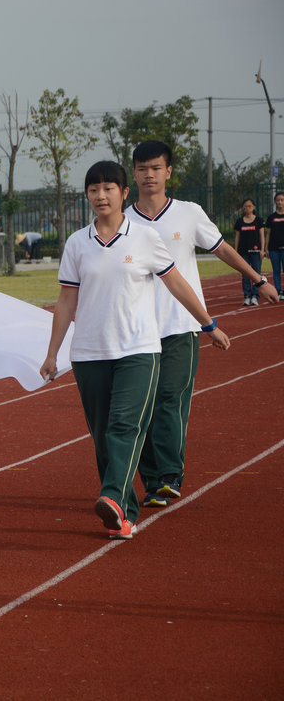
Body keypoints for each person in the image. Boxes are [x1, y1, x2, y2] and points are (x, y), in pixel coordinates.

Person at [40, 160, 229, 540]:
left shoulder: (143, 237)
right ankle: (123, 514)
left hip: (139, 350)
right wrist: (52, 353)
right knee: (103, 436)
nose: (101, 195)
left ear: (124, 194)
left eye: (109, 188)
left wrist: (207, 323)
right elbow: (65, 302)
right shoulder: (77, 243)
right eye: (94, 189)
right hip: (90, 354)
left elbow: (176, 284)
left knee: (126, 425)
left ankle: (110, 495)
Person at [124, 141, 276, 507]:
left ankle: (170, 474)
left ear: (169, 172)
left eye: (156, 168)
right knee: (138, 410)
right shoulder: (123, 220)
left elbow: (222, 248)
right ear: (133, 173)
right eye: (142, 168)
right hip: (136, 331)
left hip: (180, 325)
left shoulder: (188, 213)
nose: (149, 175)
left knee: (169, 401)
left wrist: (259, 279)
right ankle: (152, 480)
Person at [233, 198, 266, 306]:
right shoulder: (239, 221)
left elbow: (262, 236)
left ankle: (255, 296)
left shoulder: (258, 220)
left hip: (256, 252)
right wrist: (236, 251)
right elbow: (237, 237)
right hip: (243, 252)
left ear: (254, 207)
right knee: (245, 275)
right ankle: (247, 296)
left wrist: (262, 250)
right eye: (245, 206)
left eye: (249, 206)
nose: (247, 208)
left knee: (256, 274)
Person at [266, 191, 284, 297]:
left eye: (282, 200)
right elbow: (268, 234)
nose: (280, 202)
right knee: (276, 270)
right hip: (274, 248)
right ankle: (278, 290)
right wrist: (266, 248)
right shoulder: (271, 217)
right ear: (275, 202)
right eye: (278, 200)